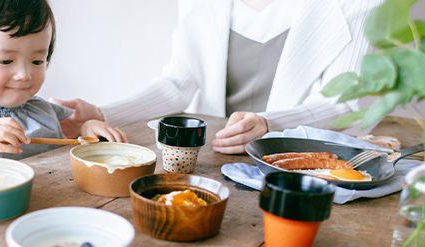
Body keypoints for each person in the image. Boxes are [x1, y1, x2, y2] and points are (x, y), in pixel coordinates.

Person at [53, 0, 382, 154]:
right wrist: (103, 114)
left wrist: (269, 123)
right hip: (213, 156)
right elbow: (178, 85)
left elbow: (341, 104)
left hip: (303, 162)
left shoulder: (356, 4)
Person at [0, 0, 126, 166]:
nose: (24, 74)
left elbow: (68, 141)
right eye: (6, 61)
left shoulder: (42, 111)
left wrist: (87, 129)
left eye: (37, 61)